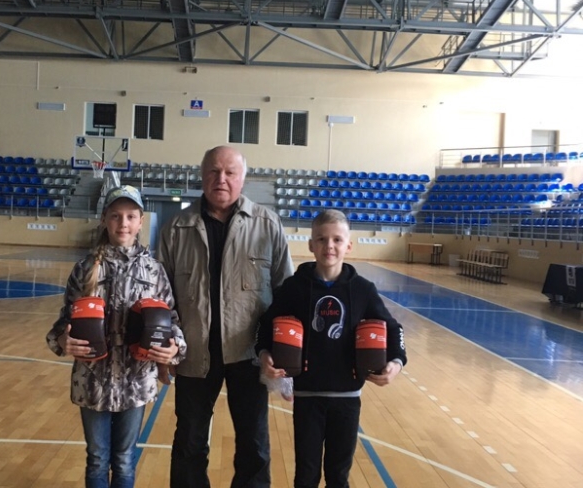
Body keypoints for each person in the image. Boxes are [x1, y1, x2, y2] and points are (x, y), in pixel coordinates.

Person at [158, 146, 294, 488]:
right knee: (189, 442)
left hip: (250, 355)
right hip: (193, 354)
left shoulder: (267, 224)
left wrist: (282, 353)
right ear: (202, 176)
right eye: (214, 171)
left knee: (254, 445)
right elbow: (160, 297)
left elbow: (286, 294)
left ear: (242, 178)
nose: (221, 179)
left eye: (230, 172)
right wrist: (165, 347)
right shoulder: (176, 228)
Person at [46, 185, 186, 488]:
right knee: (97, 458)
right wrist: (62, 340)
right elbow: (64, 322)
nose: (123, 223)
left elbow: (172, 321)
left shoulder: (154, 271)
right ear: (104, 220)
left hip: (136, 382)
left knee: (124, 459)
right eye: (115, 216)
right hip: (92, 381)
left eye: (130, 216)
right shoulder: (85, 269)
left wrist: (175, 348)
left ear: (140, 221)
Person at [256, 209, 407, 488]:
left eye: (337, 239)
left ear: (349, 245)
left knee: (339, 475)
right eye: (322, 239)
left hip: (347, 398)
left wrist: (396, 363)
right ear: (311, 245)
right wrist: (264, 355)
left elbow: (393, 329)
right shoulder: (294, 287)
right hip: (307, 396)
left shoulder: (363, 289)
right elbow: (265, 327)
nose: (329, 246)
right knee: (306, 475)